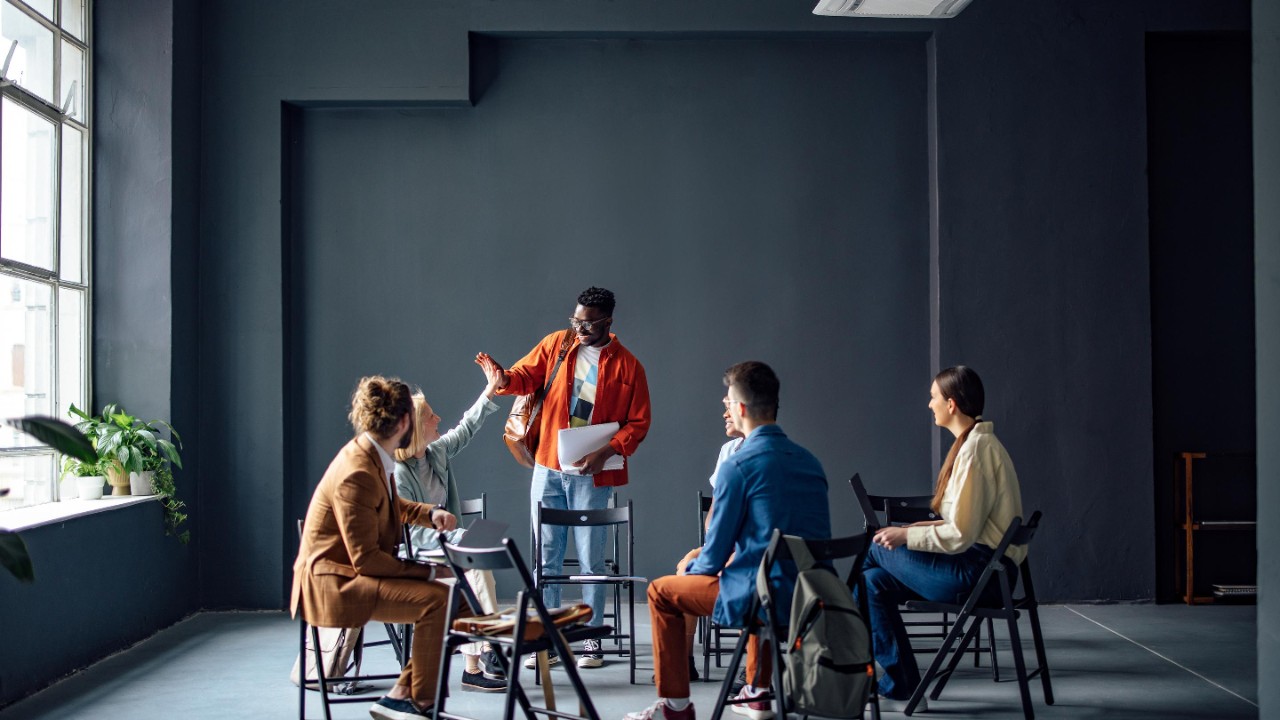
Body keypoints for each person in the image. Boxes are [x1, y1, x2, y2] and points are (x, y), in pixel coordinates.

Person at [626, 361, 831, 720]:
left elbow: (714, 555)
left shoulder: (738, 465)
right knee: (757, 574)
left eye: (727, 402)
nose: (724, 408)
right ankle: (759, 690)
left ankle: (675, 707)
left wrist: (692, 565)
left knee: (662, 591)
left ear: (739, 408)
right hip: (814, 598)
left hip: (765, 600)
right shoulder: (810, 462)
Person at [481, 286, 651, 669]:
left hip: (592, 475)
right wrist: (502, 378)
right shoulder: (558, 344)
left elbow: (638, 423)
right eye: (575, 320)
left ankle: (590, 639)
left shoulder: (629, 366)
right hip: (548, 467)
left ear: (608, 321)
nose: (580, 328)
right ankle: (546, 637)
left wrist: (605, 452)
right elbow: (524, 377)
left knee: (592, 557)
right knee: (547, 555)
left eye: (588, 323)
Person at [291, 375, 459, 720]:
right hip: (333, 585)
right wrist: (430, 570)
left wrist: (432, 513)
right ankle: (418, 702)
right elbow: (367, 561)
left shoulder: (371, 454)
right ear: (403, 422)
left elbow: (390, 505)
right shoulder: (358, 471)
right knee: (438, 599)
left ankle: (402, 695)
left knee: (452, 599)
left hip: (349, 574)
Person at [861, 365, 1025, 713]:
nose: (929, 404)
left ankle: (839, 650)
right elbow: (965, 523)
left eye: (934, 397)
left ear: (951, 404)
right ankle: (897, 682)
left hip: (980, 575)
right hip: (985, 570)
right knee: (872, 581)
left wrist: (906, 535)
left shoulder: (976, 450)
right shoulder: (976, 443)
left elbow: (961, 536)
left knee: (871, 550)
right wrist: (919, 528)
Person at [393, 355, 506, 692]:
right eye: (431, 416)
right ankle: (489, 645)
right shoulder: (399, 475)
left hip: (448, 546)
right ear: (414, 427)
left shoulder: (436, 453)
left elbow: (467, 426)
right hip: (418, 554)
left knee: (475, 565)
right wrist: (459, 537)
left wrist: (490, 390)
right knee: (475, 567)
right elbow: (411, 533)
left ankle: (476, 662)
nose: (438, 418)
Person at [668, 398, 746, 683]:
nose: (724, 413)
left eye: (729, 406)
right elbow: (716, 515)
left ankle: (747, 662)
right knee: (686, 566)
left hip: (747, 549)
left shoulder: (761, 455)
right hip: (723, 544)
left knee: (732, 577)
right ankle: (684, 662)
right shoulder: (728, 450)